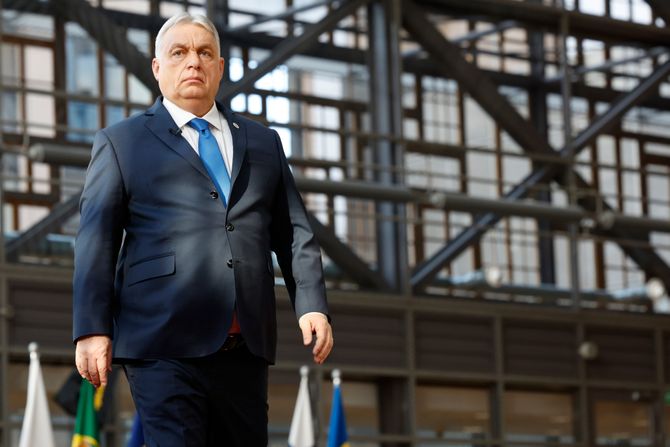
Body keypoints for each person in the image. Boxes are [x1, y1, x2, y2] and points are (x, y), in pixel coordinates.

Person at [73, 11, 333, 446]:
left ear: (220, 67)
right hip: (162, 343)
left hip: (244, 348)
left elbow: (293, 231)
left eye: (205, 53)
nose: (194, 61)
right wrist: (92, 328)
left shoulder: (263, 142)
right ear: (157, 68)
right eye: (179, 52)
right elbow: (95, 241)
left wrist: (312, 305)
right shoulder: (121, 142)